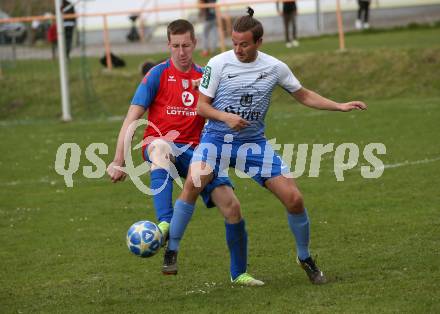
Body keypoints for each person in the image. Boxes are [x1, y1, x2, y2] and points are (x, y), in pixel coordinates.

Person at [164, 7, 367, 285]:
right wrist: (226, 117)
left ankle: (304, 257)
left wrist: (339, 105)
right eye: (234, 43)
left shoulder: (274, 68)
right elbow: (201, 107)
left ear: (259, 42)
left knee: (294, 199)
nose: (238, 49)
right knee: (193, 182)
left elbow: (304, 95)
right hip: (216, 140)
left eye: (244, 44)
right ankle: (172, 248)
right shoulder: (218, 63)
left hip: (253, 144)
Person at [107, 19, 262, 287]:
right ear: (169, 45)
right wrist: (119, 160)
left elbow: (222, 110)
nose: (181, 52)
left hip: (198, 151)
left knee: (232, 207)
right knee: (161, 147)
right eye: (176, 46)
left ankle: (239, 274)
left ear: (195, 44)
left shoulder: (206, 76)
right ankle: (165, 225)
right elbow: (132, 118)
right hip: (160, 144)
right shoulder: (157, 75)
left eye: (186, 45)